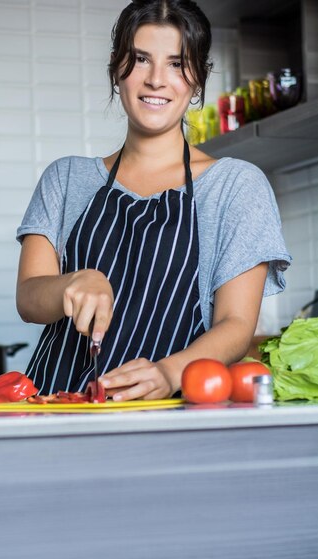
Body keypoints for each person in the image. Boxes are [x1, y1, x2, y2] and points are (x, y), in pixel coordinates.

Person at [16, 0, 291, 401]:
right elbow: (28, 298)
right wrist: (73, 282)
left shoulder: (235, 186)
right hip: (54, 406)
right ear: (117, 68)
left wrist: (168, 372)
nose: (156, 80)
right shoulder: (66, 177)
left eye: (177, 63)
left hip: (167, 411)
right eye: (141, 59)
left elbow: (235, 324)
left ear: (198, 77)